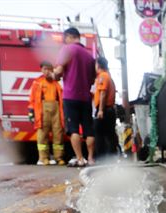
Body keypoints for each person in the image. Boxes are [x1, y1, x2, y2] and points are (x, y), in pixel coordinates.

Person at [51, 27, 96, 167]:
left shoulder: (67, 49)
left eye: (65, 39)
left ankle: (80, 159)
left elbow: (58, 71)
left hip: (70, 97)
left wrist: (54, 75)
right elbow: (93, 79)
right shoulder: (89, 56)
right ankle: (91, 158)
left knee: (74, 129)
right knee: (88, 130)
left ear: (69, 37)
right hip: (86, 98)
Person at [28, 61, 65, 165]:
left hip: (56, 111)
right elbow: (32, 99)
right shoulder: (37, 82)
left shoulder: (57, 82)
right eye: (45, 69)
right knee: (42, 135)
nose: (47, 71)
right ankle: (44, 158)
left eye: (49, 69)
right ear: (41, 70)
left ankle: (59, 158)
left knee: (58, 134)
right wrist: (31, 112)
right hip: (42, 112)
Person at [93, 56, 119, 158]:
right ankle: (110, 159)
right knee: (110, 135)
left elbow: (103, 93)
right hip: (109, 110)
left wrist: (100, 110)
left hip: (104, 109)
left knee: (100, 135)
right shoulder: (108, 76)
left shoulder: (103, 76)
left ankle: (102, 159)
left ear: (98, 65)